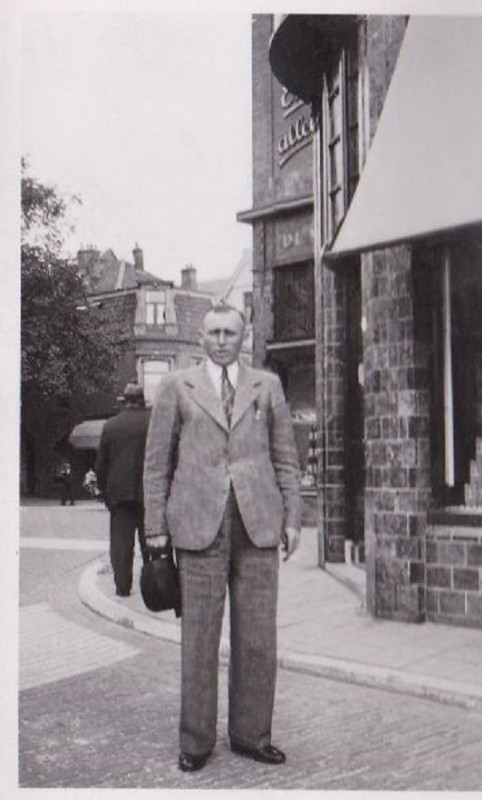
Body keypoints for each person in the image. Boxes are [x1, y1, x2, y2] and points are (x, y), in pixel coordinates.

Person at [143, 303, 301, 773]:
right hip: (197, 524)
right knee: (199, 638)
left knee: (257, 637)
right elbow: (157, 464)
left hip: (258, 522)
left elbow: (285, 458)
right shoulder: (176, 387)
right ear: (199, 337)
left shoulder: (266, 386)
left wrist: (293, 518)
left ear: (244, 335)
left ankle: (252, 735)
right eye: (212, 332)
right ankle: (196, 740)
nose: (221, 340)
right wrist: (155, 531)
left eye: (230, 332)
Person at [95, 382, 151, 597]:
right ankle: (152, 588)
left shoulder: (111, 426)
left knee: (121, 546)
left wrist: (105, 494)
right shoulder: (152, 422)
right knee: (150, 544)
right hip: (148, 494)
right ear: (142, 400)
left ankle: (122, 587)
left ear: (124, 401)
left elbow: (101, 465)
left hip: (119, 496)